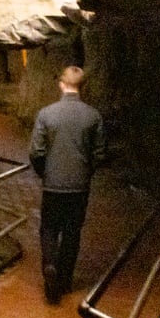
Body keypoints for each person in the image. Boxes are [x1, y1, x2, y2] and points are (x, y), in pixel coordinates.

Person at [29, 65, 106, 304]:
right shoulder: (93, 116)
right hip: (79, 187)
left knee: (49, 229)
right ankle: (64, 280)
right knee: (72, 233)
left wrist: (45, 173)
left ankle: (50, 264)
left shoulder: (46, 114)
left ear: (61, 85)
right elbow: (100, 153)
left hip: (53, 184)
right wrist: (86, 171)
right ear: (82, 86)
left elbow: (36, 151)